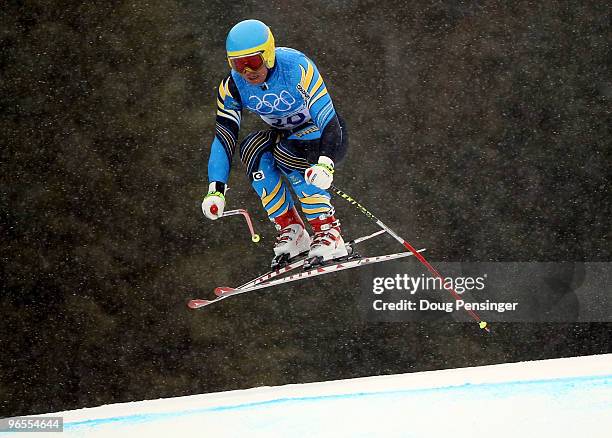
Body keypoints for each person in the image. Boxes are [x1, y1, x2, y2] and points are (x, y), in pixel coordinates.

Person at [202, 19, 349, 269]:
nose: (248, 71)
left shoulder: (296, 68)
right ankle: (292, 230)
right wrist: (215, 189)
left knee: (285, 152)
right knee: (251, 147)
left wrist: (326, 163)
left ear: (268, 55)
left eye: (253, 62)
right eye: (239, 64)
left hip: (324, 136)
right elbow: (224, 137)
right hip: (288, 136)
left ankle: (327, 230)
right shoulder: (233, 87)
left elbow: (328, 121)